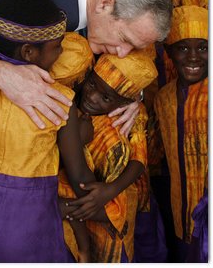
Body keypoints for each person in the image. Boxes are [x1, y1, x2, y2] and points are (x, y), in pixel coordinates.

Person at [0, 0, 99, 263]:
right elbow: (80, 177)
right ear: (29, 52)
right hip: (32, 233)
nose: (62, 50)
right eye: (57, 45)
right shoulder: (57, 100)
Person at [0, 0, 172, 136]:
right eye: (125, 39)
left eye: (135, 47)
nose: (124, 53)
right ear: (105, 3)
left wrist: (130, 95)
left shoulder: (119, 11)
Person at [57, 47, 158, 262]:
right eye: (92, 84)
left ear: (125, 103)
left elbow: (140, 160)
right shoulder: (76, 111)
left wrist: (112, 188)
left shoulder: (121, 129)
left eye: (105, 97)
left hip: (111, 232)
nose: (92, 97)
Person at [153, 5, 208, 262]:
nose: (194, 57)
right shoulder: (164, 98)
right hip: (180, 207)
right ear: (169, 52)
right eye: (183, 47)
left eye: (203, 47)